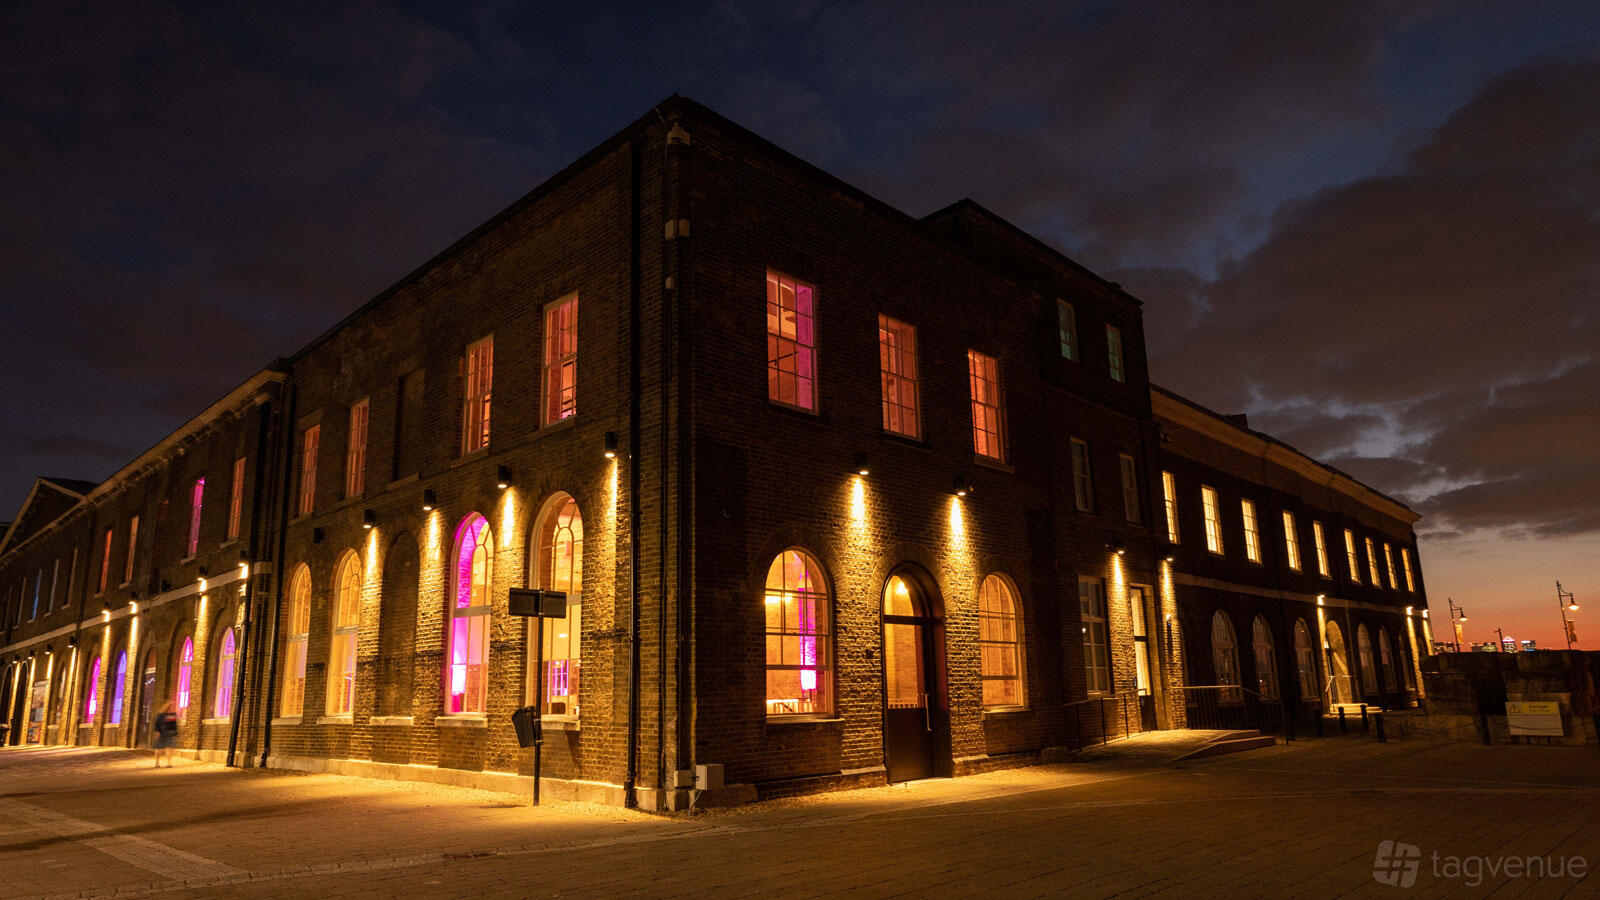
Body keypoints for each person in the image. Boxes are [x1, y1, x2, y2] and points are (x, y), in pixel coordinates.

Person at [152, 700, 179, 768]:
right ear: (167, 707)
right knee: (159, 749)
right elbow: (157, 725)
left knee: (169, 748)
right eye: (171, 706)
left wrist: (175, 733)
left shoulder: (172, 715)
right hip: (162, 734)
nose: (172, 708)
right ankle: (157, 763)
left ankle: (169, 763)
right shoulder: (161, 716)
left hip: (169, 734)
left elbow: (174, 725)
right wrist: (157, 732)